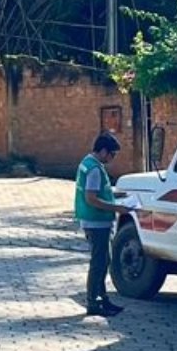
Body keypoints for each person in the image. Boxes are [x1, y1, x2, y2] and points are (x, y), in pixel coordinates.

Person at [74, 132, 127, 317]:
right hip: (97, 222)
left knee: (103, 261)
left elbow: (97, 192)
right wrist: (117, 208)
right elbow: (91, 198)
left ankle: (102, 299)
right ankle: (93, 301)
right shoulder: (95, 169)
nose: (113, 158)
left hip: (93, 220)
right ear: (103, 151)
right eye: (112, 154)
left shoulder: (87, 163)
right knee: (99, 263)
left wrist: (115, 196)